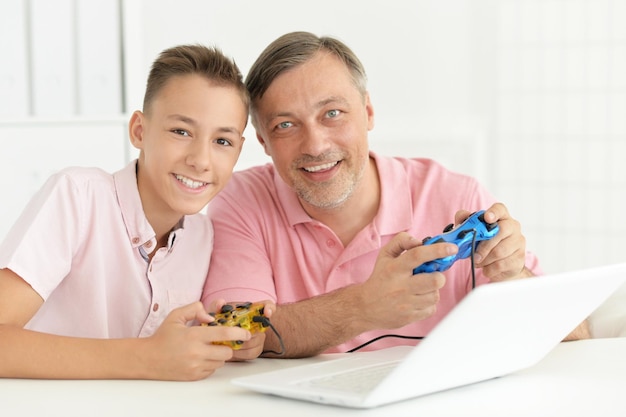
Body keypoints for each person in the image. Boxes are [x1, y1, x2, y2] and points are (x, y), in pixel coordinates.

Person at [202, 31, 589, 358]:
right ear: (264, 142)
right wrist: (363, 307)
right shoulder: (240, 201)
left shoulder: (456, 194)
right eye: (286, 125)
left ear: (368, 112)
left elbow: (579, 341)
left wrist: (512, 274)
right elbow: (232, 335)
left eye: (333, 113)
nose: (316, 145)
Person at [0, 44, 270, 380]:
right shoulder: (78, 197)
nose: (201, 160)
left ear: (238, 150)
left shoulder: (203, 236)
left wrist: (231, 342)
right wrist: (146, 358)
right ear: (139, 131)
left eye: (222, 142)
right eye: (181, 132)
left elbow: (174, 351)